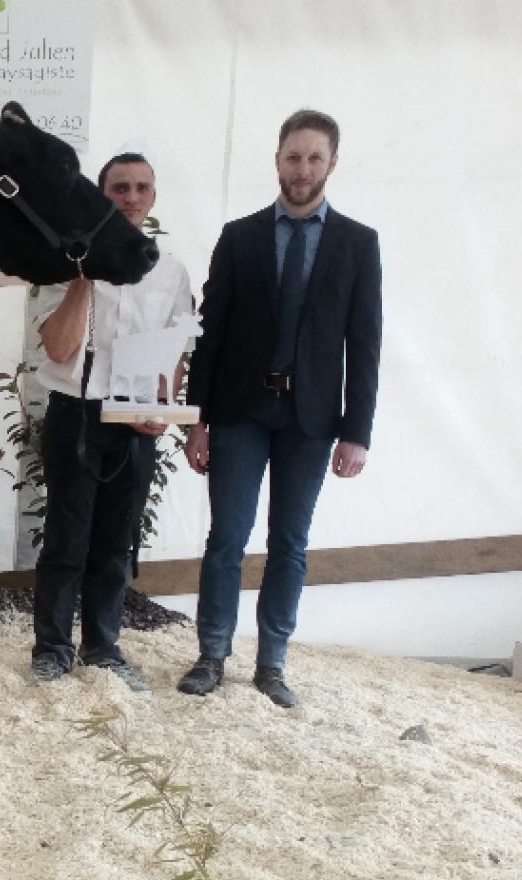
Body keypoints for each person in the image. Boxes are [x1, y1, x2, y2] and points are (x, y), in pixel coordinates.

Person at [178, 109, 382, 708]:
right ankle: (211, 654)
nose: (302, 169)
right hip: (241, 410)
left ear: (332, 163)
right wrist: (198, 421)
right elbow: (210, 334)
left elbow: (364, 346)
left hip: (312, 419)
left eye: (315, 157)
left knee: (290, 543)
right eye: (293, 157)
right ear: (277, 161)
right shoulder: (239, 237)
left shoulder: (357, 244)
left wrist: (357, 432)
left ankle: (272, 665)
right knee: (227, 539)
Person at [30, 151, 193, 692]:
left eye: (141, 188)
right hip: (76, 413)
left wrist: (163, 411)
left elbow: (175, 350)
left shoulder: (170, 271)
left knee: (115, 544)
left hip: (135, 422)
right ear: (103, 196)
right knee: (66, 538)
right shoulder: (65, 261)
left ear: (153, 198)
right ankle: (52, 649)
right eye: (119, 187)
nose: (131, 197)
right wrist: (86, 274)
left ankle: (103, 647)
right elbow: (57, 346)